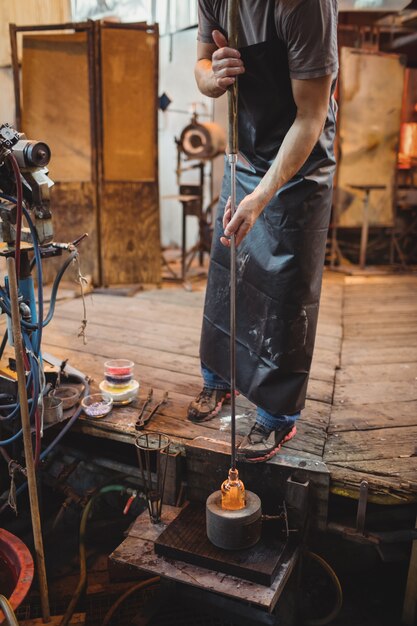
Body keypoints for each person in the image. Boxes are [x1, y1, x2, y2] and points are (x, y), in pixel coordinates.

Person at [187, 0, 339, 462]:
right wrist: (213, 78)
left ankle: (276, 415)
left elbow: (310, 115)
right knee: (227, 268)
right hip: (246, 148)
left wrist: (262, 196)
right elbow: (199, 65)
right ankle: (219, 378)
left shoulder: (304, 5)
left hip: (299, 160)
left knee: (285, 287)